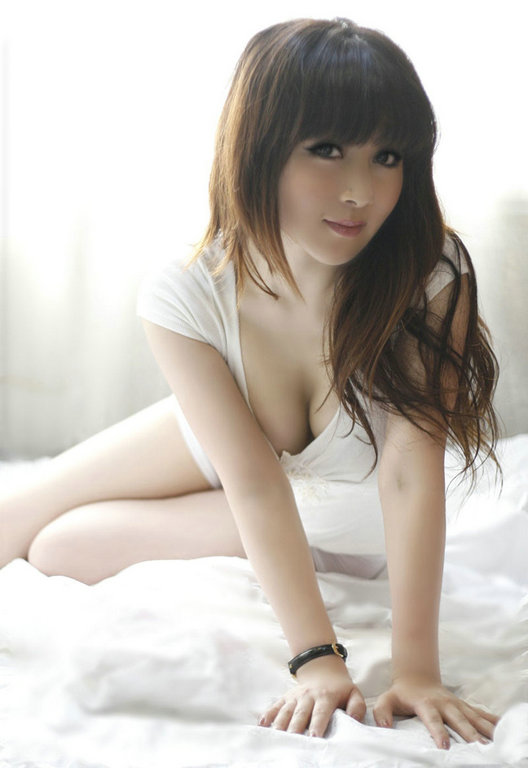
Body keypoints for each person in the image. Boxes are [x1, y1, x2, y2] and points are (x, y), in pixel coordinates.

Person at [1, 17, 503, 750]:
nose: (359, 190)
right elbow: (251, 477)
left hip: (348, 511)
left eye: (387, 156)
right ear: (259, 145)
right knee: (15, 515)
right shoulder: (187, 290)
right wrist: (316, 658)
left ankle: (270, 541)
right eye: (327, 149)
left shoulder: (430, 277)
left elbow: (408, 472)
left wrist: (410, 670)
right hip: (241, 462)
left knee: (59, 549)